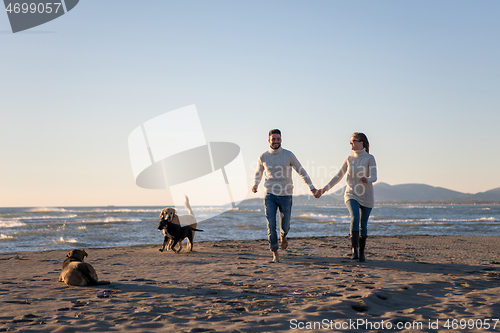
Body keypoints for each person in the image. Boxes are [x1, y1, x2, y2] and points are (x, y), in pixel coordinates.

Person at [253, 129, 318, 263]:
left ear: (281, 140)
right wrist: (255, 184)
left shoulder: (288, 155)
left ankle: (283, 236)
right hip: (270, 194)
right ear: (269, 140)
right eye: (273, 139)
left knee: (285, 225)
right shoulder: (263, 156)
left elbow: (301, 171)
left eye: (278, 139)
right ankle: (275, 254)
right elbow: (258, 172)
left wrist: (311, 187)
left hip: (286, 194)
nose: (276, 141)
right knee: (270, 224)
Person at [315, 132, 377, 262]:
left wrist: (368, 179)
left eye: (353, 141)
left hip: (366, 195)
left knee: (363, 224)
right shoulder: (349, 159)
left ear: (361, 142)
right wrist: (325, 188)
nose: (351, 143)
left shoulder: (370, 158)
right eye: (350, 141)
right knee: (355, 217)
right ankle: (354, 249)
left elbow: (374, 176)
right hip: (351, 193)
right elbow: (338, 176)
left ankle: (361, 252)